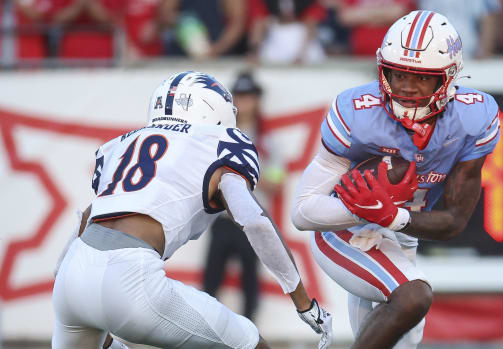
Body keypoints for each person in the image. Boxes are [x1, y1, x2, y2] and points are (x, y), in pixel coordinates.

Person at [52, 71, 333, 349]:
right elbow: (254, 221)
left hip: (72, 277)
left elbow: (89, 216)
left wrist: (67, 281)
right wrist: (304, 304)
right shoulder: (216, 144)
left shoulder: (121, 144)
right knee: (251, 343)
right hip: (132, 278)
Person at [291, 10, 500, 349]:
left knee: (398, 341)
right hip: (343, 231)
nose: (406, 88)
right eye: (398, 74)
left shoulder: (473, 117)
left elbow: (454, 221)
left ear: (447, 78)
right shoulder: (357, 114)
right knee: (413, 296)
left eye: (421, 78)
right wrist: (367, 210)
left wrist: (392, 217)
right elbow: (302, 213)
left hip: (401, 233)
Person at [202, 72, 268, 321]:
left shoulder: (266, 139)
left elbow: (276, 179)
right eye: (240, 96)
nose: (245, 102)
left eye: (249, 96)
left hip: (251, 218)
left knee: (250, 280)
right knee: (211, 279)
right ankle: (206, 331)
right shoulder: (219, 134)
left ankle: (249, 336)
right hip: (221, 218)